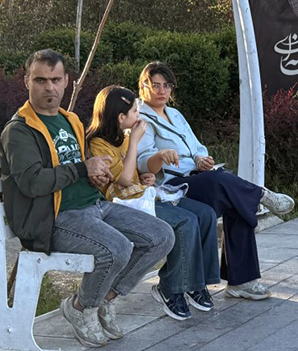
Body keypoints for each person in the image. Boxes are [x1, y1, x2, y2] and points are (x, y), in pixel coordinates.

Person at [0, 50, 175, 347]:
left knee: (161, 236)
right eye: (41, 80)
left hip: (93, 206)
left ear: (67, 81)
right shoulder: (19, 131)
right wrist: (83, 168)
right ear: (26, 80)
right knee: (117, 248)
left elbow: (80, 168)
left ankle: (103, 299)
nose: (49, 87)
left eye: (55, 80)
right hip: (53, 218)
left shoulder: (71, 121)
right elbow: (31, 182)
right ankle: (82, 309)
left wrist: (96, 174)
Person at [135, 62, 294, 301]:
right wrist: (159, 156)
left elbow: (196, 147)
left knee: (235, 199)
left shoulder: (174, 114)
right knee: (225, 184)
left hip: (196, 178)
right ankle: (259, 195)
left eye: (166, 86)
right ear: (143, 86)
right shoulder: (139, 119)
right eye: (155, 85)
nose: (161, 91)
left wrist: (201, 159)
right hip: (171, 188)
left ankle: (241, 282)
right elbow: (142, 160)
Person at [87, 86, 220, 321]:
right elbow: (124, 181)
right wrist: (136, 141)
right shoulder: (99, 143)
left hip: (142, 197)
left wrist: (146, 177)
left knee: (205, 213)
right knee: (184, 221)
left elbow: (134, 177)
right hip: (122, 206)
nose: (139, 116)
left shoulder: (123, 137)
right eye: (135, 112)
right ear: (121, 117)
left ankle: (196, 282)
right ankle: (172, 287)